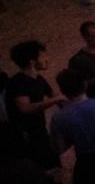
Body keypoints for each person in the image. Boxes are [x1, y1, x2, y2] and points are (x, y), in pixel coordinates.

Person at [5, 39, 63, 169]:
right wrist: (56, 100)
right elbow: (25, 108)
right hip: (26, 137)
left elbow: (56, 97)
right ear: (32, 61)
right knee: (44, 169)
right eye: (43, 56)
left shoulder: (39, 78)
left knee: (54, 165)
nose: (47, 58)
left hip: (40, 131)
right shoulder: (18, 83)